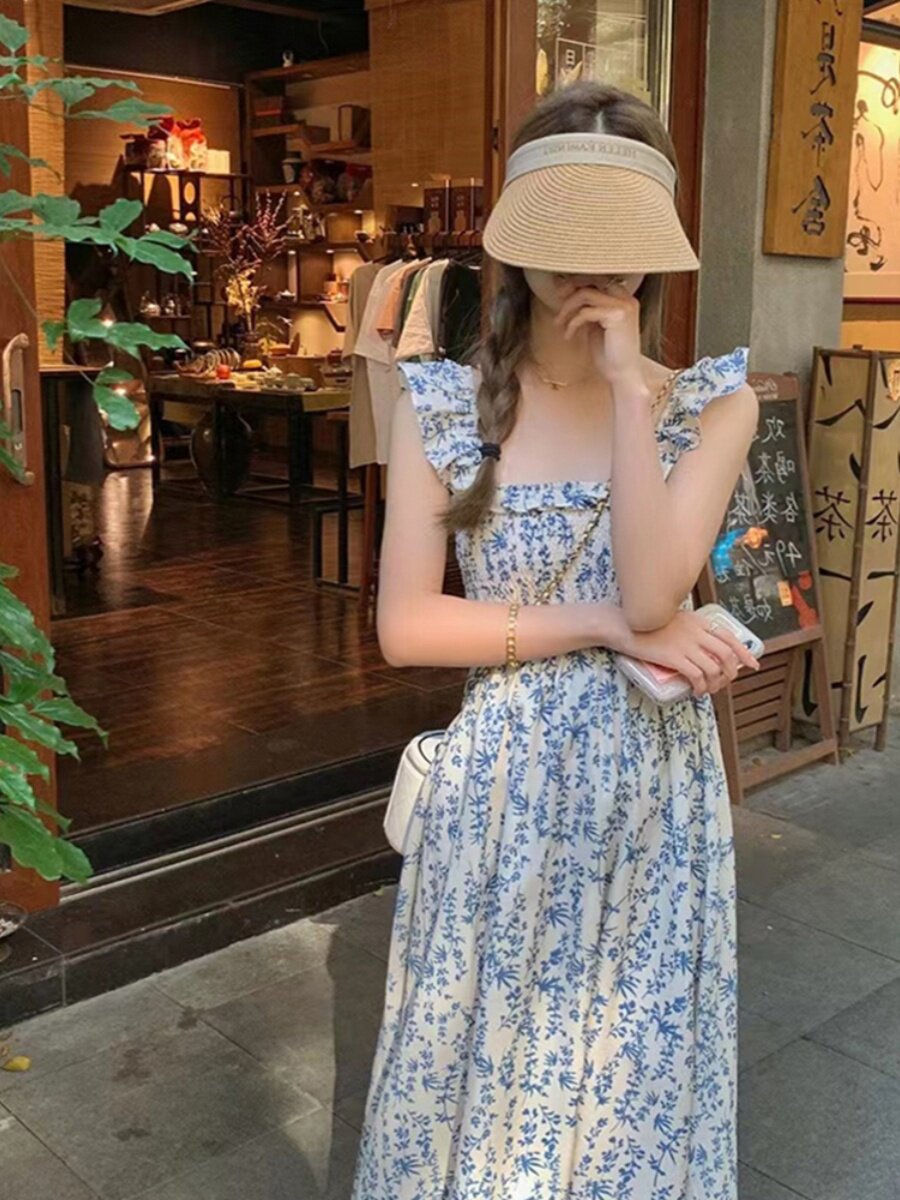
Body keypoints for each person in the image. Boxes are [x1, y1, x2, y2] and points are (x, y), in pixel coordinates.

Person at [351, 81, 759, 1200]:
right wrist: (601, 628)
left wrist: (628, 389)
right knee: (480, 1084)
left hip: (654, 797)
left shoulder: (709, 404)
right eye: (565, 226)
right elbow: (406, 627)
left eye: (618, 231)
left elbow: (655, 592)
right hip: (503, 787)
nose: (591, 263)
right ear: (517, 237)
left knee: (632, 1088)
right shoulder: (439, 403)